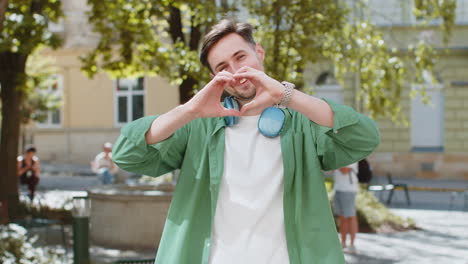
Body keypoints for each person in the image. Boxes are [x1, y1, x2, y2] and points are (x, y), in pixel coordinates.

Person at [112, 19, 380, 264]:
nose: (236, 71)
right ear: (214, 77)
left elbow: (364, 137)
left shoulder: (302, 120)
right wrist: (190, 110)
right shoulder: (198, 125)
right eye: (222, 67)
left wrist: (288, 96)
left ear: (259, 52)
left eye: (240, 57)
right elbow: (126, 153)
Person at [333, 162, 360, 253]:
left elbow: (344, 170)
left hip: (348, 190)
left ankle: (352, 245)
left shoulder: (350, 155)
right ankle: (343, 243)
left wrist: (334, 161)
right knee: (342, 218)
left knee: (351, 217)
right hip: (338, 188)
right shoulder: (338, 154)